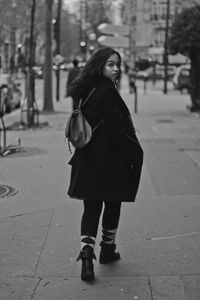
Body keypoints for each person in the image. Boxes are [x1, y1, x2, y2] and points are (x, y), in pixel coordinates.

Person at [67, 47, 143, 281]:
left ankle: (87, 257)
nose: (116, 68)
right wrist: (134, 154)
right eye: (110, 64)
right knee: (112, 204)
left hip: (87, 157)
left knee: (91, 208)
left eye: (117, 64)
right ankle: (107, 250)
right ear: (100, 65)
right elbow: (118, 129)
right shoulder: (107, 91)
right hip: (110, 159)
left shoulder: (83, 88)